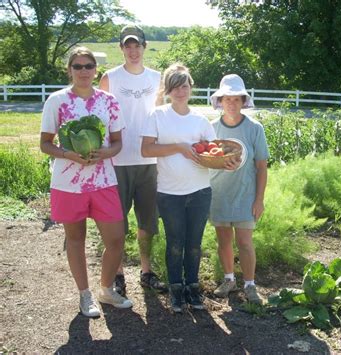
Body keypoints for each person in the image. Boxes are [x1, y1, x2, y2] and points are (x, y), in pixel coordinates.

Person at [40, 47, 133, 318]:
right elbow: (45, 144)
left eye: (88, 66)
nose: (83, 71)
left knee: (116, 239)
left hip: (104, 180)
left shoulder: (109, 101)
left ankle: (106, 289)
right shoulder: (57, 101)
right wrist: (68, 154)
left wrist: (106, 153)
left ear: (95, 70)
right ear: (70, 70)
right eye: (77, 66)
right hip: (68, 183)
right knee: (75, 239)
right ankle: (85, 295)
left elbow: (117, 142)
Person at [141, 63, 216, 313]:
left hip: (200, 191)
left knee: (194, 243)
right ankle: (175, 290)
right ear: (168, 90)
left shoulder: (201, 119)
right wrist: (179, 147)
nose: (180, 91)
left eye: (184, 86)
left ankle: (193, 289)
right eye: (175, 87)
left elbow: (214, 153)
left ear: (191, 88)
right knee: (175, 243)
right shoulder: (158, 115)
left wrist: (224, 159)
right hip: (170, 193)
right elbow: (146, 149)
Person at [99, 24, 166, 295]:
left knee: (147, 221)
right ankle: (117, 274)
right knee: (116, 222)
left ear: (144, 47)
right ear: (121, 48)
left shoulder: (156, 77)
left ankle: (146, 271)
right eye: (128, 45)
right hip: (117, 160)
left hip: (148, 160)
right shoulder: (109, 78)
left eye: (137, 45)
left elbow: (162, 115)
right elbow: (101, 117)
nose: (133, 50)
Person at [209, 74, 269, 305]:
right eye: (227, 99)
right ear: (220, 101)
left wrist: (259, 199)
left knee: (244, 241)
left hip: (245, 195)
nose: (232, 103)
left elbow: (262, 167)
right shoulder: (212, 128)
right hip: (219, 194)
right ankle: (229, 279)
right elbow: (205, 158)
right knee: (223, 240)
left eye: (237, 99)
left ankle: (250, 285)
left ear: (243, 101)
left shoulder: (254, 129)